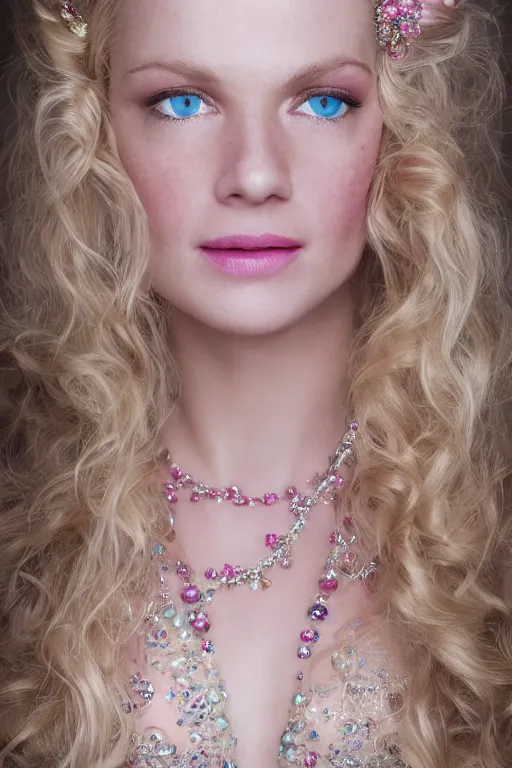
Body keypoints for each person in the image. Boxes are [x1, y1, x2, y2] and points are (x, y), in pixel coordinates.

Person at [0, 0, 511, 766]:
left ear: (397, 133)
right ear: (99, 132)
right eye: (182, 102)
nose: (256, 174)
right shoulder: (20, 549)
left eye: (322, 101)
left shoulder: (492, 541)